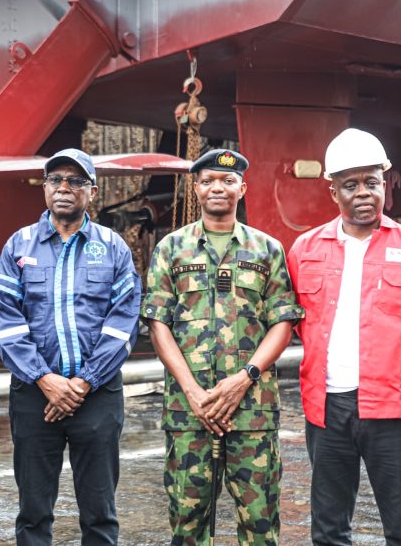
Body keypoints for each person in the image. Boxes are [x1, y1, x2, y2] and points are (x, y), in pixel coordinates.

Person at [142, 148, 304, 546]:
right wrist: (193, 392)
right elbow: (158, 323)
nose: (218, 187)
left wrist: (243, 379)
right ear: (196, 188)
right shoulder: (171, 249)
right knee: (188, 522)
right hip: (188, 412)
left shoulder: (266, 249)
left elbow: (283, 322)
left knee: (260, 522)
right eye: (209, 181)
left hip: (252, 412)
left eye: (228, 181)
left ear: (242, 189)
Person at [287, 129, 401, 546]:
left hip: (394, 405)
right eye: (350, 185)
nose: (364, 193)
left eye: (372, 182)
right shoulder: (305, 249)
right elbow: (298, 320)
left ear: (385, 184)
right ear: (333, 191)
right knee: (329, 527)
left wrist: (397, 361)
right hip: (328, 406)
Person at [0, 148, 141, 546]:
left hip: (97, 396)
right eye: (55, 180)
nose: (64, 188)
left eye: (75, 181)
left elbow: (123, 323)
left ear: (92, 192)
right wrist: (45, 380)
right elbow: (7, 323)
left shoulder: (112, 247)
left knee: (100, 512)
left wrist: (83, 383)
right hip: (34, 397)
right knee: (33, 512)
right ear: (45, 188)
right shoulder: (19, 246)